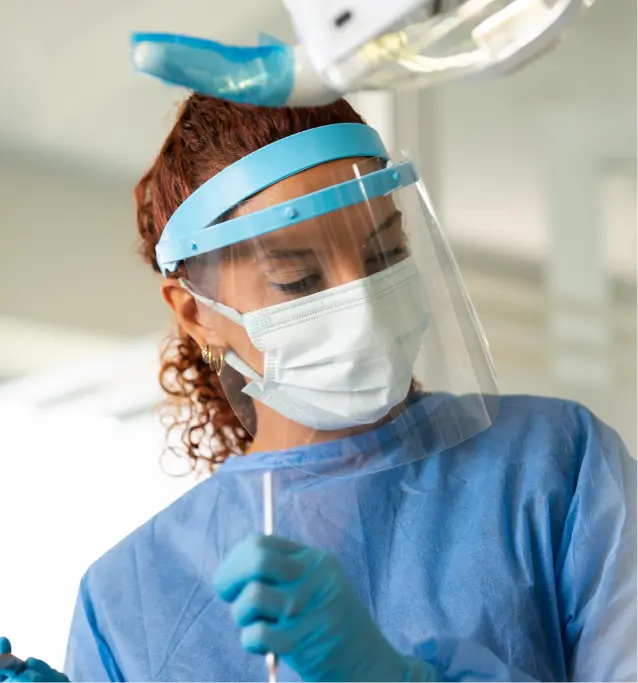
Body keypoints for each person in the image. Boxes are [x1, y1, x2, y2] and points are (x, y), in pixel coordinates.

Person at [2, 96, 637, 683]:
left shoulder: (556, 464)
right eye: (298, 279)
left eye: (384, 254)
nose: (360, 301)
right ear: (197, 313)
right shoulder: (129, 596)